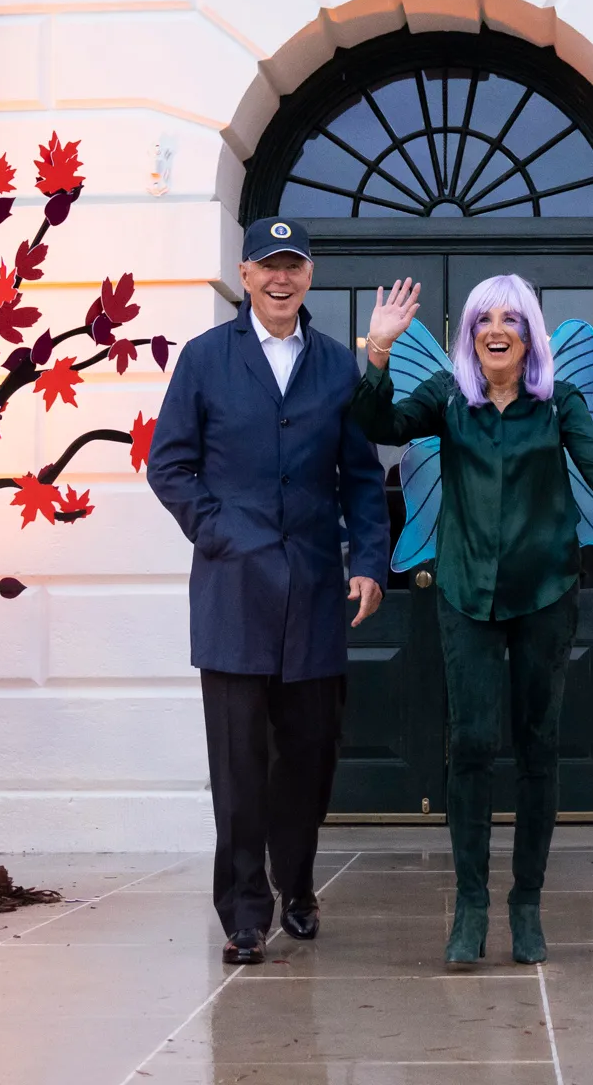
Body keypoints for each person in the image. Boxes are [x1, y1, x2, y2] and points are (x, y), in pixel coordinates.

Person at [350, 273, 593, 967]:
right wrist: (377, 350)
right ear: (470, 335)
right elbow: (379, 426)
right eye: (485, 318)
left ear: (529, 336)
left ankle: (526, 902)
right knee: (471, 749)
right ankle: (469, 907)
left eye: (512, 320)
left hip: (545, 596)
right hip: (466, 597)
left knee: (537, 750)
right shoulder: (446, 400)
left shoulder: (558, 405)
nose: (497, 330)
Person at [146, 217, 389, 965]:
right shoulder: (204, 360)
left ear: (308, 277)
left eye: (295, 266)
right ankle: (245, 911)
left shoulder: (336, 368)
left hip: (316, 593)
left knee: (309, 759)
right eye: (267, 266)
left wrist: (371, 561)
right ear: (244, 275)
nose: (281, 279)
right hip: (233, 594)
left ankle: (299, 885)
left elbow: (362, 478)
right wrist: (218, 532)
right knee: (240, 764)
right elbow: (169, 465)